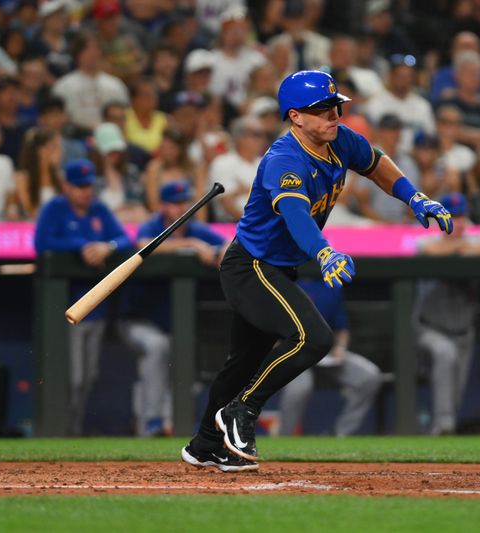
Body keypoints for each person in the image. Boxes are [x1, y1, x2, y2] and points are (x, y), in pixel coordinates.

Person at [181, 70, 452, 471]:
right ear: (296, 117)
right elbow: (295, 214)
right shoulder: (283, 159)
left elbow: (376, 163)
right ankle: (242, 411)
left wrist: (415, 197)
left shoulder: (339, 140)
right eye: (321, 110)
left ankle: (205, 444)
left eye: (335, 107)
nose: (333, 115)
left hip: (277, 267)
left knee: (242, 362)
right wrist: (324, 253)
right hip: (251, 266)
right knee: (313, 338)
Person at [34, 159, 133, 436]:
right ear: (66, 185)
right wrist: (81, 246)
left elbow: (125, 240)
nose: (85, 192)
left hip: (96, 309)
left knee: (88, 378)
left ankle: (72, 431)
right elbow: (41, 244)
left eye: (88, 186)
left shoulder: (99, 209)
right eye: (79, 186)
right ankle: (59, 430)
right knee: (71, 378)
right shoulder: (55, 208)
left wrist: (106, 246)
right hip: (63, 308)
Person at [124, 180, 228, 437]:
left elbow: (230, 242)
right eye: (175, 203)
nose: (181, 208)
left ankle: (168, 422)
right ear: (162, 206)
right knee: (158, 346)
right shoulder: (153, 225)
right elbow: (142, 244)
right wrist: (191, 245)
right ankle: (152, 421)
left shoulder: (196, 229)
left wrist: (221, 252)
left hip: (175, 323)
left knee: (183, 354)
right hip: (138, 319)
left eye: (184, 203)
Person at [414, 193, 480, 434]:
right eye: (450, 216)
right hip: (429, 330)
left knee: (457, 388)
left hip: (463, 330)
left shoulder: (475, 242)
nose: (456, 222)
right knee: (445, 354)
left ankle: (444, 429)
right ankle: (443, 425)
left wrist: (462, 246)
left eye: (460, 216)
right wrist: (460, 248)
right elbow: (429, 251)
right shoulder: (426, 243)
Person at [279, 281, 381, 437]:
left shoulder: (330, 287)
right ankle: (284, 438)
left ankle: (342, 435)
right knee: (300, 387)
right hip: (293, 356)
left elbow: (341, 328)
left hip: (325, 354)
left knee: (370, 376)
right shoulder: (281, 282)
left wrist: (340, 348)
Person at [51, 32, 129, 132]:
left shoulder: (115, 85)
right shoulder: (63, 86)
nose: (92, 53)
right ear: (77, 53)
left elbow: (125, 115)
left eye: (96, 48)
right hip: (75, 137)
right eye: (87, 49)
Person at [208, 115, 267, 221]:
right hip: (231, 225)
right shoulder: (223, 162)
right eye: (256, 134)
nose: (261, 139)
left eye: (263, 135)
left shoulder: (265, 163)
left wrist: (243, 190)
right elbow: (226, 203)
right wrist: (252, 223)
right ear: (240, 138)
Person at [15, 127, 63, 219]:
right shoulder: (22, 177)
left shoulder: (60, 177)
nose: (60, 152)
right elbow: (30, 209)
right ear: (41, 151)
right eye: (55, 147)